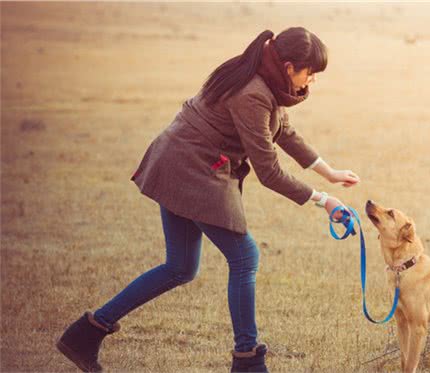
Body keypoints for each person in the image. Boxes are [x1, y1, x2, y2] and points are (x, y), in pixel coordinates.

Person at [56, 27, 360, 373]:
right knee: (245, 257)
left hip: (178, 163)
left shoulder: (261, 77)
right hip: (191, 170)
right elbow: (269, 171)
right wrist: (324, 200)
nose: (313, 81)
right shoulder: (253, 92)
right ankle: (247, 359)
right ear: (290, 67)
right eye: (311, 73)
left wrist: (330, 172)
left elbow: (282, 130)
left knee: (180, 267)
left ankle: (85, 334)